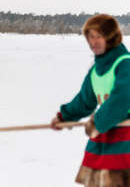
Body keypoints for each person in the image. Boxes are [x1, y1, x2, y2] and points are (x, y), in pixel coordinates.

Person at [50, 14, 130, 186]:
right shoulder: (96, 71)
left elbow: (122, 100)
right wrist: (65, 116)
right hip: (104, 137)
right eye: (90, 37)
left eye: (99, 36)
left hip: (125, 139)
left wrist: (97, 122)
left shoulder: (125, 65)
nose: (94, 42)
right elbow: (84, 101)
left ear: (111, 38)